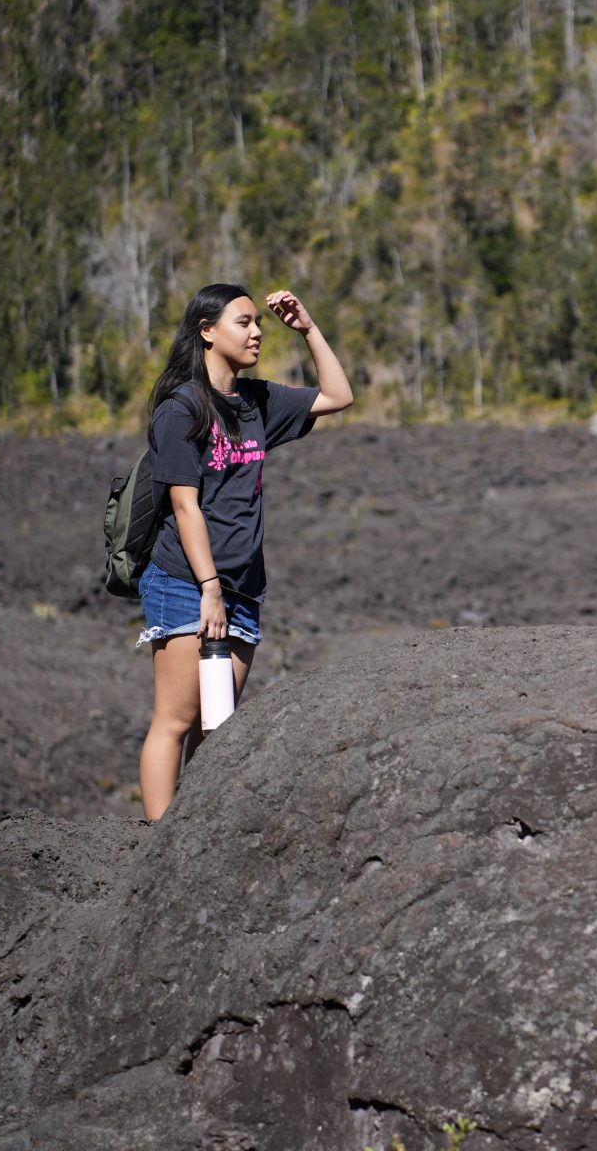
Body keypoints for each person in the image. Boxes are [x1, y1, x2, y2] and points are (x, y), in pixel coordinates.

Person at [135, 284, 353, 820]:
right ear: (207, 332)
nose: (257, 332)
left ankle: (191, 833)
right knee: (178, 718)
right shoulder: (181, 410)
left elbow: (338, 396)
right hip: (188, 582)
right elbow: (186, 507)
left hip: (242, 587)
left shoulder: (256, 402)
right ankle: (152, 843)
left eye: (259, 322)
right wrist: (209, 590)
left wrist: (307, 328)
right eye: (243, 322)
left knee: (218, 724)